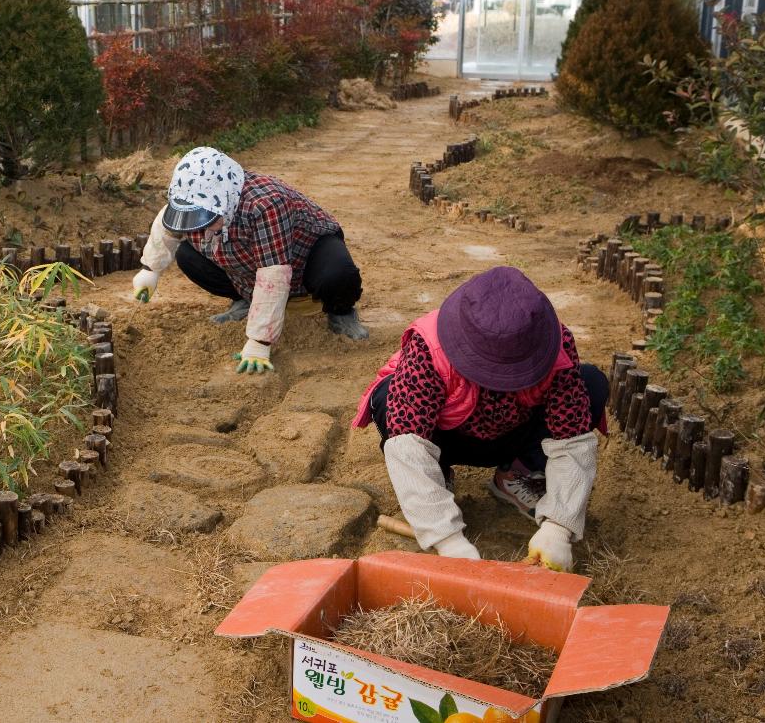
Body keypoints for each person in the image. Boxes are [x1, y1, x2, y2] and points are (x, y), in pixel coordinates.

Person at [352, 266, 607, 572]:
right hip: (449, 437)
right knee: (388, 396)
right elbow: (409, 446)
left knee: (591, 384)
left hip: (514, 434)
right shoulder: (428, 346)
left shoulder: (556, 344)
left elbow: (571, 440)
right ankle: (438, 479)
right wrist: (448, 540)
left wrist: (558, 528)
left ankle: (516, 476)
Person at [132, 147, 367, 373]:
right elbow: (166, 225)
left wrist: (259, 341)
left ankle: (341, 311)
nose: (198, 229)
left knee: (337, 275)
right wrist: (150, 270)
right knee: (187, 255)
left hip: (303, 254)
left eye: (202, 219)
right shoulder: (191, 195)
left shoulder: (266, 204)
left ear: (226, 201)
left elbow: (273, 274)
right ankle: (244, 299)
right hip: (247, 260)